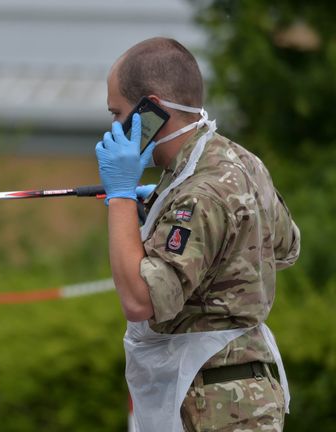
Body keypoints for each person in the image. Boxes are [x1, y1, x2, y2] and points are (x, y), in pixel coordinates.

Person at [94, 37, 300, 431]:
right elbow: (287, 246)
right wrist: (159, 212)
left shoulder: (199, 193)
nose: (115, 128)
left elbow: (140, 301)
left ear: (149, 109)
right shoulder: (241, 161)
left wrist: (121, 198)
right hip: (239, 397)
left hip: (217, 407)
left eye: (117, 113)